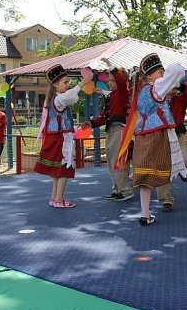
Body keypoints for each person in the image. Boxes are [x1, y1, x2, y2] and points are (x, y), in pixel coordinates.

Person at [129, 53, 187, 225]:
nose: (163, 76)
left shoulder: (141, 93)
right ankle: (181, 170)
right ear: (150, 76)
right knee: (163, 164)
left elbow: (137, 120)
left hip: (142, 136)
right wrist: (169, 75)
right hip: (157, 134)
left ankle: (145, 215)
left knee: (146, 179)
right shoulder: (155, 88)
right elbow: (177, 70)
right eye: (160, 72)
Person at [34, 64, 93, 208]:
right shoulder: (59, 99)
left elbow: (71, 99)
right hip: (60, 138)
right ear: (55, 85)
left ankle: (54, 198)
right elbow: (70, 96)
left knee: (57, 171)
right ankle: (59, 200)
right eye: (65, 82)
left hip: (58, 136)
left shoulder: (56, 99)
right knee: (63, 170)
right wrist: (82, 83)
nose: (68, 85)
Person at [90, 58, 134, 201]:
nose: (109, 82)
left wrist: (111, 66)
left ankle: (125, 189)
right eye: (109, 80)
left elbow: (121, 82)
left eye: (112, 80)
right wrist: (92, 123)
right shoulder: (111, 96)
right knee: (110, 160)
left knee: (118, 160)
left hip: (119, 130)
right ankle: (117, 188)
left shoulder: (123, 92)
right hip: (111, 130)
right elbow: (105, 116)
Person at [156, 77, 187, 212]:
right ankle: (166, 199)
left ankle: (183, 169)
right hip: (163, 137)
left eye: (173, 88)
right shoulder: (157, 103)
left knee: (185, 161)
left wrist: (178, 85)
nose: (170, 91)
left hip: (178, 134)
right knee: (163, 167)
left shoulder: (180, 101)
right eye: (168, 87)